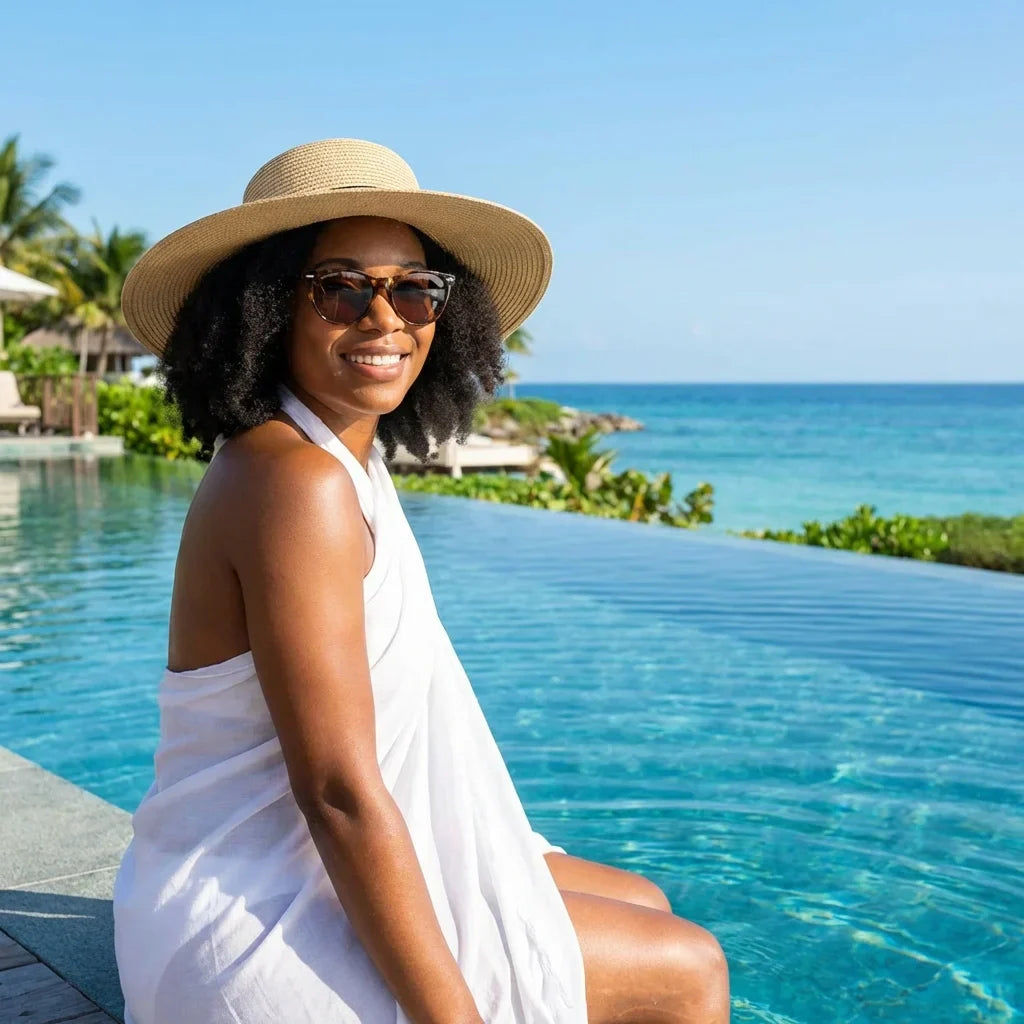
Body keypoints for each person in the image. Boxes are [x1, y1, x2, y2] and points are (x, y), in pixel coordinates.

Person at [112, 138, 729, 1024]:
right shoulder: (297, 481)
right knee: (687, 968)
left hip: (249, 874)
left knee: (643, 901)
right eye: (340, 286)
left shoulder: (330, 459)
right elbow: (339, 793)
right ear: (263, 306)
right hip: (252, 918)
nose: (385, 317)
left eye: (413, 287)